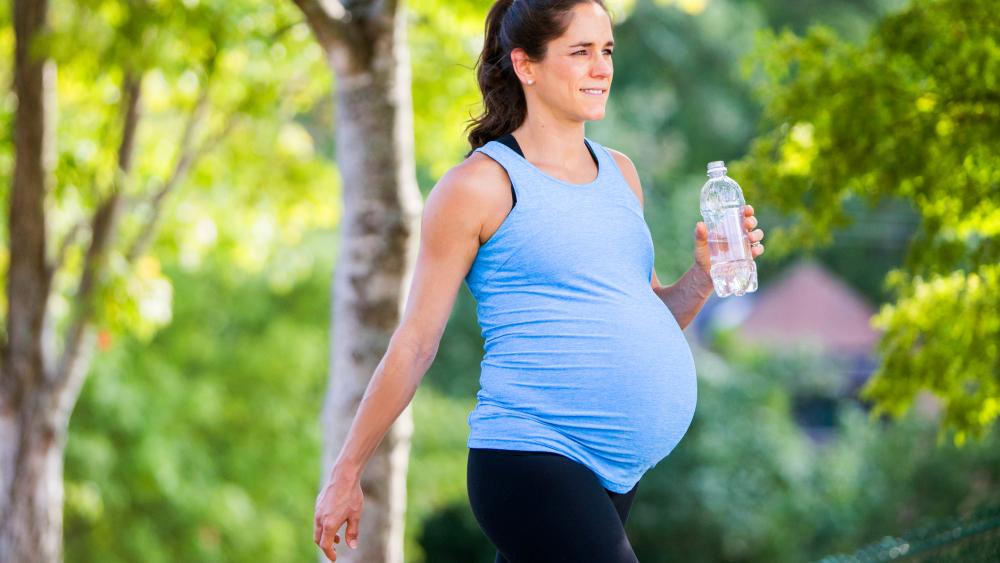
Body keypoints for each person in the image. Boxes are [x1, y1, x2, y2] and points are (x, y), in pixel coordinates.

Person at [313, 0, 766, 561]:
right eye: (580, 52)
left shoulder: (620, 173)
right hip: (532, 456)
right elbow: (415, 343)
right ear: (526, 65)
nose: (602, 68)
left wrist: (704, 275)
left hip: (615, 472)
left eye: (606, 51)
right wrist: (346, 471)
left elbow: (650, 316)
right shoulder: (479, 186)